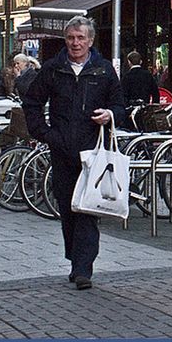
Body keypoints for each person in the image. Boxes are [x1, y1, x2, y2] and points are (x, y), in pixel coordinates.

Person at [22, 16, 125, 290]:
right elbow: (31, 102)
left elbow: (119, 105)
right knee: (68, 207)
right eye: (71, 38)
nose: (75, 43)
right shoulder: (53, 69)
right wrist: (45, 134)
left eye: (81, 38)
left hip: (92, 151)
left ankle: (83, 268)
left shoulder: (103, 70)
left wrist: (110, 114)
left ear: (90, 41)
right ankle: (75, 259)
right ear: (65, 40)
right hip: (61, 149)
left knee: (88, 209)